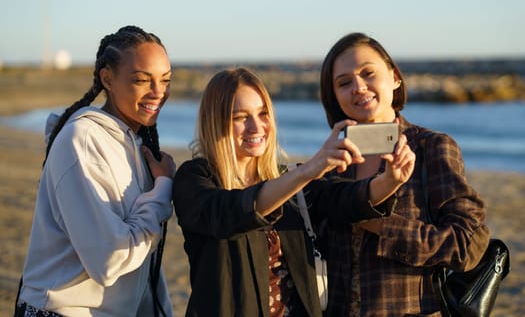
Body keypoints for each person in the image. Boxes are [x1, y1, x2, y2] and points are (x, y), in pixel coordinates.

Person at [172, 67, 416, 316]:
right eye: (240, 117)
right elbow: (229, 211)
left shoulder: (289, 179)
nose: (256, 127)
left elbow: (344, 200)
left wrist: (390, 180)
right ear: (215, 121)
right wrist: (308, 170)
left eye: (263, 113)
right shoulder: (194, 179)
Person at [318, 32, 490, 316]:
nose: (358, 87)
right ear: (334, 96)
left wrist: (380, 225)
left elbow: (467, 245)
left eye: (368, 73)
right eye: (344, 83)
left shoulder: (430, 147)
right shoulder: (333, 159)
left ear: (395, 77)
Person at [15, 25, 176, 316]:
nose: (158, 92)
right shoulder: (83, 140)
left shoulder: (136, 147)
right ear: (107, 79)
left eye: (165, 80)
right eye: (142, 80)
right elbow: (110, 260)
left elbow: (142, 264)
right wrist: (163, 188)